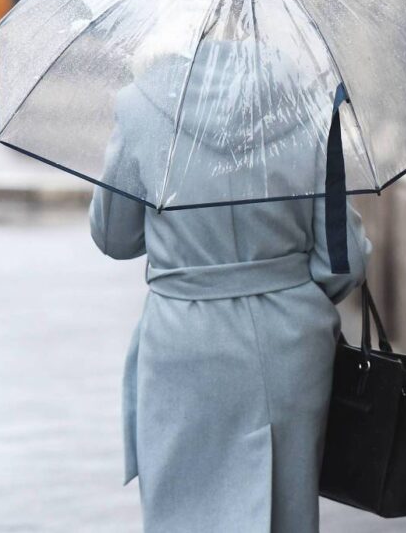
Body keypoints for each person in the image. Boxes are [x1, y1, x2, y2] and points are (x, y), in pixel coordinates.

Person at [88, 41, 371, 532]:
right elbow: (341, 261)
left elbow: (115, 237)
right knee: (282, 511)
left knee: (183, 512)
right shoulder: (306, 104)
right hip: (288, 341)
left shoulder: (140, 105)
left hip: (182, 337)